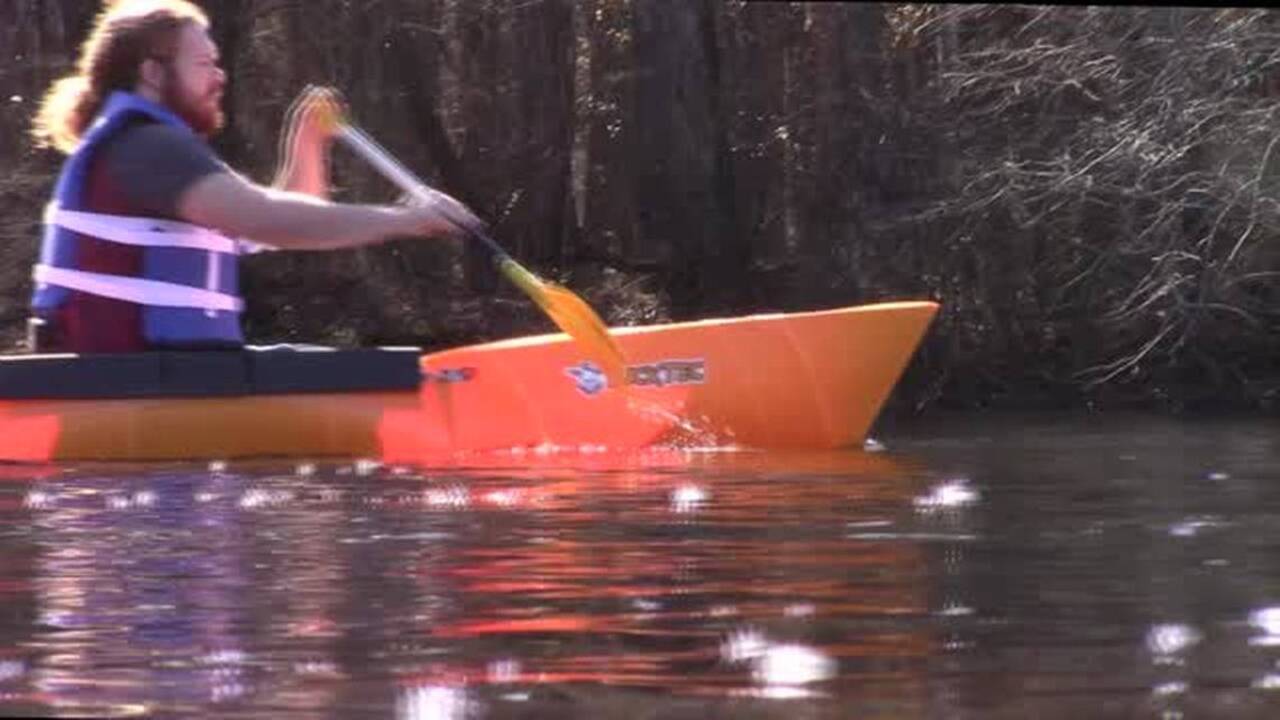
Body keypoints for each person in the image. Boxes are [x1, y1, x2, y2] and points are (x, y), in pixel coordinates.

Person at [27, 0, 482, 353]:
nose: (220, 77)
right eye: (204, 65)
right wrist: (404, 219)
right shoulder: (146, 147)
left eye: (218, 64)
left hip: (166, 375)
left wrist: (307, 142)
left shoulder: (161, 151)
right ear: (151, 73)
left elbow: (285, 222)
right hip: (125, 386)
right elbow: (265, 218)